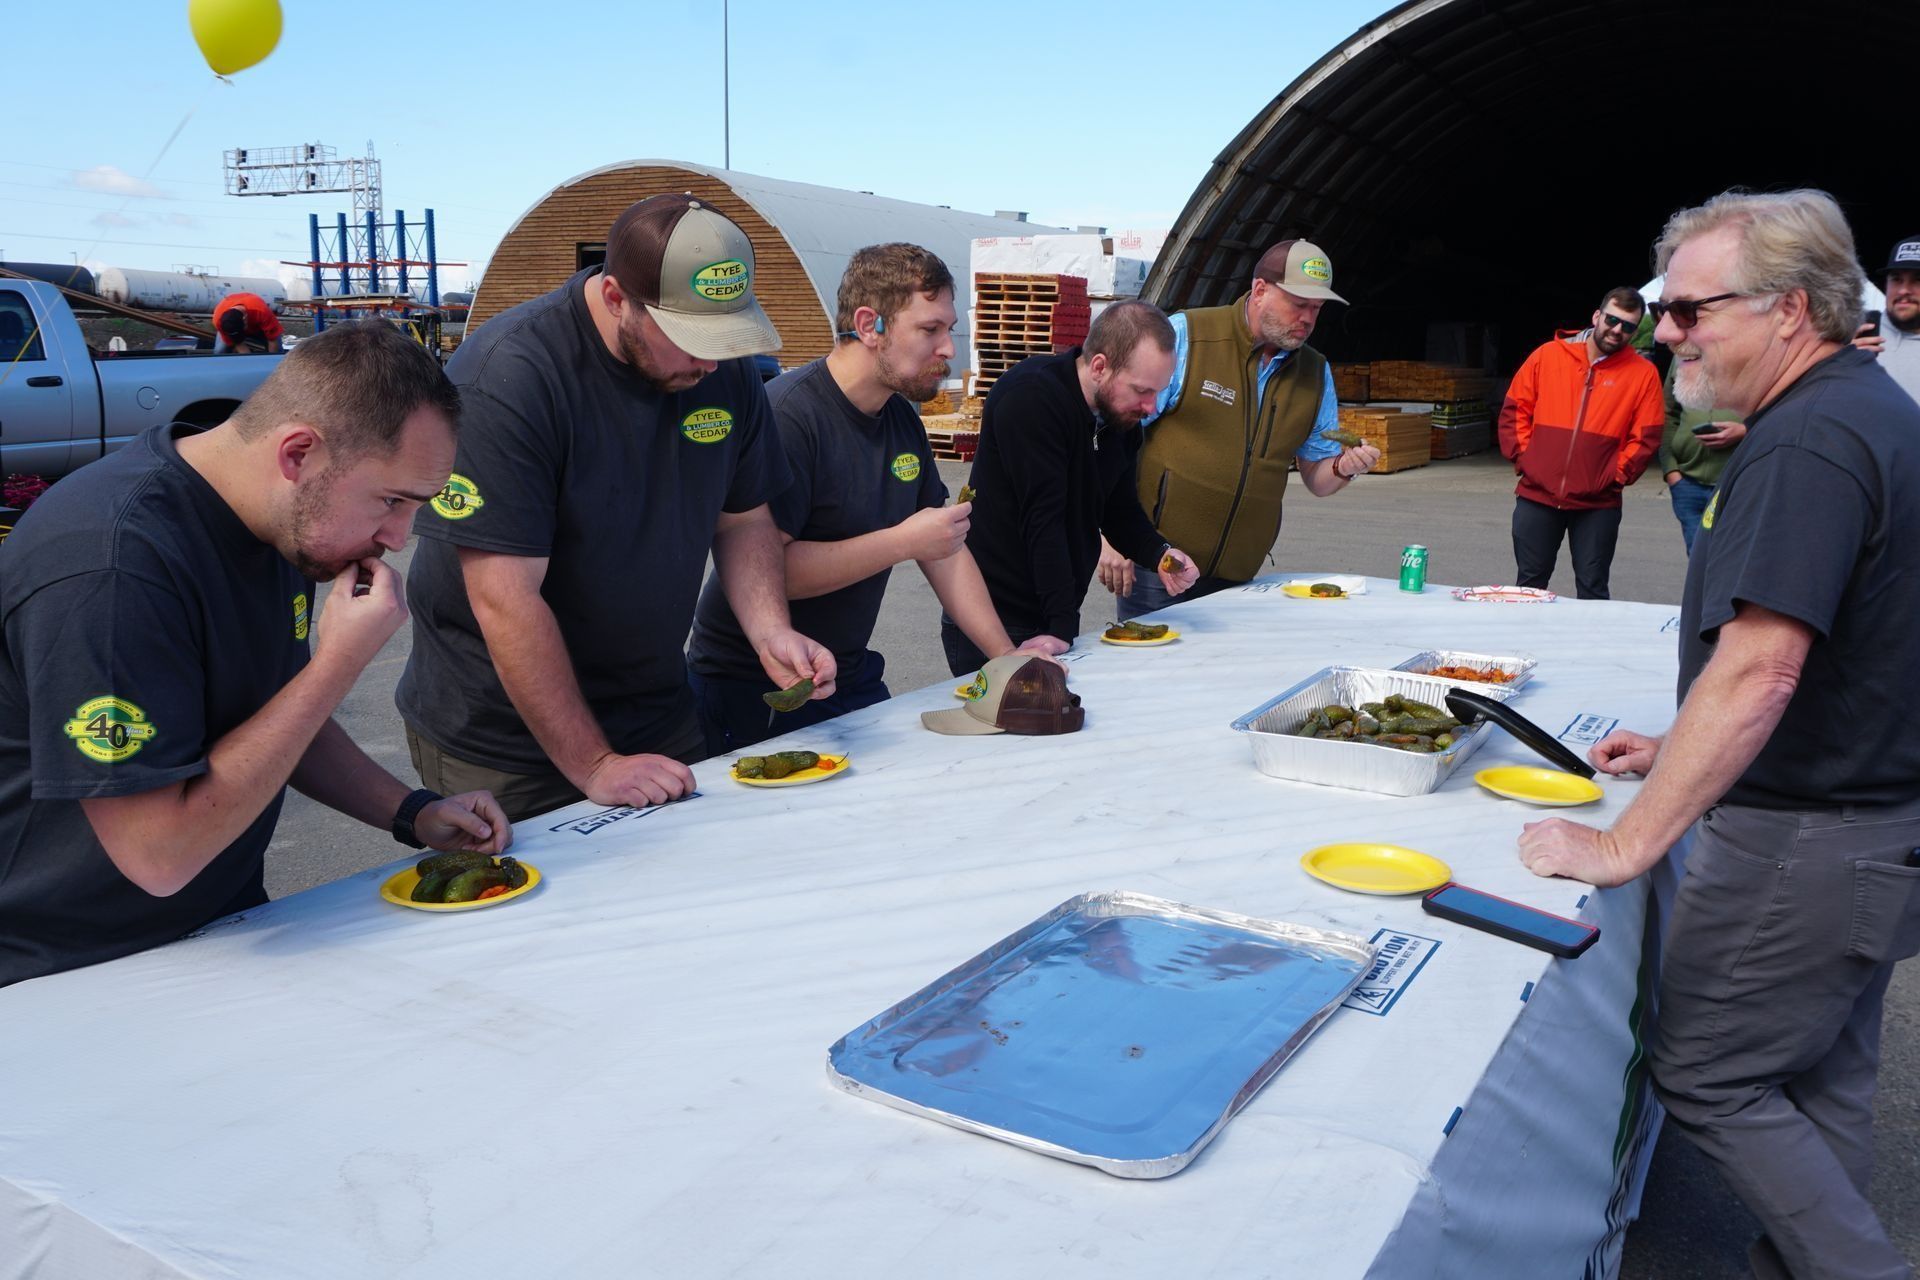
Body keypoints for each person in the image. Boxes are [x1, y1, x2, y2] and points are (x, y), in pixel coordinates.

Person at [1517, 189, 1920, 1280]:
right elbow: (1845, 646)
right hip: (1875, 823)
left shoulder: (1810, 443)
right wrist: (1676, 738)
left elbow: (1761, 665)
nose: (1666, 331)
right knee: (1824, 1069)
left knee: (1707, 1070)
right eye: (1665, 309)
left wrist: (1621, 842)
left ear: (1790, 309)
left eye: (1693, 310)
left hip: (1807, 837)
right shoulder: (1866, 408)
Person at [0, 321, 510, 989]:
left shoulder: (278, 520)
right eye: (391, 500)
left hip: (223, 932)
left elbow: (275, 717)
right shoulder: (112, 568)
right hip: (67, 971)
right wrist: (336, 665)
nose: (398, 535)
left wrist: (410, 811)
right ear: (297, 454)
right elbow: (158, 854)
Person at [395, 194, 835, 820]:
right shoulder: (510, 378)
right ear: (614, 298)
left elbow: (744, 519)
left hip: (657, 711)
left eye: (724, 337)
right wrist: (594, 764)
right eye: (688, 338)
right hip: (507, 744)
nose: (708, 361)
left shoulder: (722, 373)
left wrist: (770, 631)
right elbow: (504, 597)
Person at [686, 243, 1062, 754]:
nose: (949, 349)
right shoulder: (789, 418)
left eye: (948, 330)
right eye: (930, 329)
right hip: (757, 689)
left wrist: (1004, 658)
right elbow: (763, 570)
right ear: (869, 326)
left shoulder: (901, 417)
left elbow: (944, 549)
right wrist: (902, 542)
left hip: (849, 673)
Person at [1096, 239, 1381, 618]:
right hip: (1160, 565)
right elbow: (1113, 437)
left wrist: (1344, 468)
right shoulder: (1189, 336)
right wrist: (1107, 537)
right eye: (1299, 304)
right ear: (1260, 290)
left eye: (1317, 308)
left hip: (1239, 578)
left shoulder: (1315, 374)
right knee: (1150, 672)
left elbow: (1317, 477)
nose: (1309, 319)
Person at [947, 300, 1200, 677]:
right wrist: (1060, 626)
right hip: (996, 617)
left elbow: (1118, 509)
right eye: (1142, 390)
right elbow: (1043, 520)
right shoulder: (1032, 398)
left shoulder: (1117, 418)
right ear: (1099, 366)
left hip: (1050, 616)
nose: (1150, 407)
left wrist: (1161, 553)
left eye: (1158, 392)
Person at [1496, 287, 1664, 599]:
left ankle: (1589, 648)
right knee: (1529, 586)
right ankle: (1526, 646)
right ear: (1597, 316)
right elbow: (1515, 410)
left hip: (1598, 504)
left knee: (1593, 589)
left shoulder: (1643, 375)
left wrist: (1615, 477)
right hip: (1538, 495)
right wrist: (1525, 459)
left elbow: (1646, 437)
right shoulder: (1548, 356)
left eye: (1628, 326)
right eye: (1612, 320)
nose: (1617, 330)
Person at [1656, 359, 1741, 551]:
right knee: (1697, 556)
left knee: (1731, 557)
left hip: (1733, 482)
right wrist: (1671, 471)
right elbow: (1667, 413)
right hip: (1687, 483)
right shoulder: (1682, 356)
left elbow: (1776, 410)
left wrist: (1745, 430)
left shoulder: (1745, 348)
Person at [1851, 231, 1920, 404]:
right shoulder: (1855, 332)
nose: (1904, 290)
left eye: (1917, 280)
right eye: (1896, 279)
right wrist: (1834, 361)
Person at [211, 291, 284, 354]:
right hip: (231, 326)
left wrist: (273, 365)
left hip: (259, 326)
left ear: (245, 319)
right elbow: (239, 344)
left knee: (278, 351)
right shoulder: (218, 320)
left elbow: (272, 341)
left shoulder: (262, 312)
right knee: (219, 351)